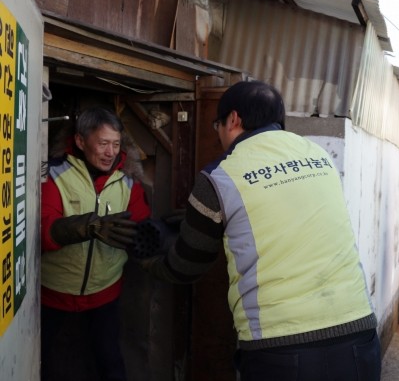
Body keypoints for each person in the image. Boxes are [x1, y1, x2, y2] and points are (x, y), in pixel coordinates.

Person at [142, 81, 381, 380]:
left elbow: (189, 264)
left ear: (233, 120)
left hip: (281, 347)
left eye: (218, 124)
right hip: (358, 333)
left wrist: (152, 264)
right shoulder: (319, 156)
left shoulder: (219, 175)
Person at [41, 106, 151, 381]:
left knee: (109, 361)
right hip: (53, 293)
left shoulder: (127, 182)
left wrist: (163, 233)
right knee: (46, 362)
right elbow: (43, 233)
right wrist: (86, 226)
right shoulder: (52, 176)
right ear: (80, 141)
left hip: (105, 292)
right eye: (102, 143)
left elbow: (141, 228)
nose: (110, 152)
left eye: (115, 144)